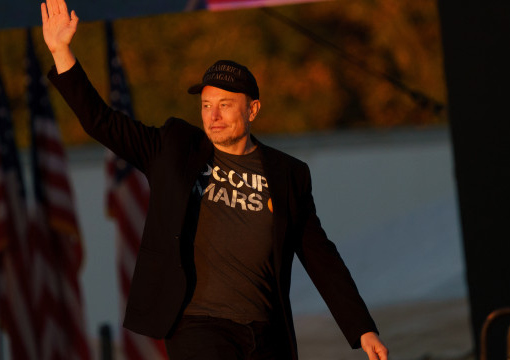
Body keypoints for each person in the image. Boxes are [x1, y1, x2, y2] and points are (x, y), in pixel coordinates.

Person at [41, 0, 389, 359]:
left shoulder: (289, 174)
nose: (214, 116)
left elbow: (321, 257)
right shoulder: (174, 148)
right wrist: (61, 51)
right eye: (207, 105)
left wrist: (362, 328)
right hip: (197, 327)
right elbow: (102, 122)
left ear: (252, 108)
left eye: (225, 104)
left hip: (266, 332)